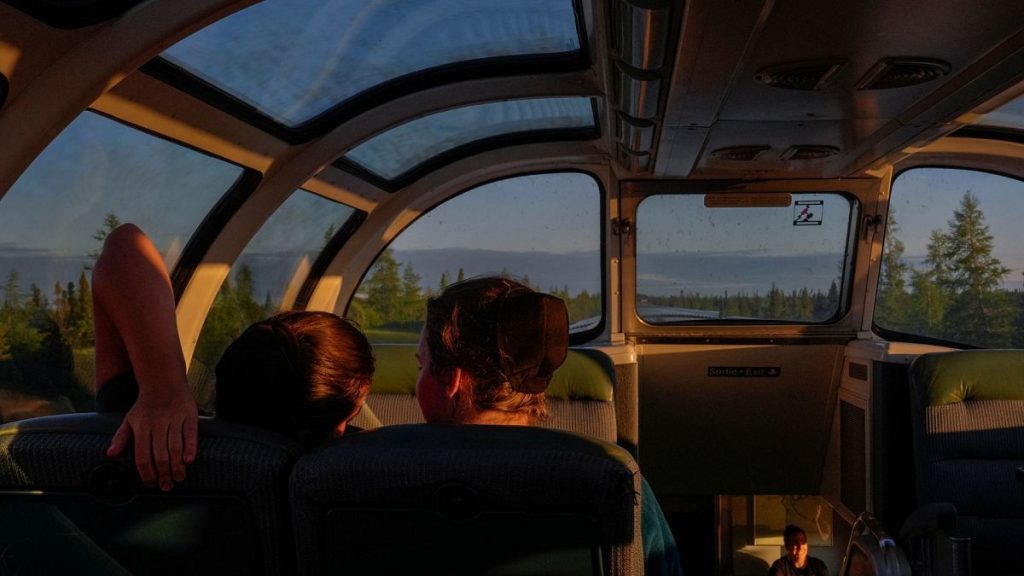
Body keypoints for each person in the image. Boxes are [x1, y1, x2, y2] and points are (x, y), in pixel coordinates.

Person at [416, 276, 683, 576]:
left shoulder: (393, 471)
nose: (418, 380)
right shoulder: (613, 483)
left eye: (421, 366)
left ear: (453, 379)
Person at [93, 224, 373, 491]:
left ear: (223, 379)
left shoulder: (152, 444)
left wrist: (164, 389)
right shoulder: (373, 476)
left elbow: (125, 244)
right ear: (354, 406)